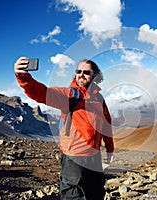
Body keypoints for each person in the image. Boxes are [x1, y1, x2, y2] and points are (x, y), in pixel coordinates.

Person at [14, 57, 114, 200]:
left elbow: (106, 124)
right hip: (74, 155)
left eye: (86, 72)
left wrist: (110, 148)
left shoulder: (99, 98)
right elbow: (42, 93)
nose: (81, 74)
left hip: (94, 154)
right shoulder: (69, 95)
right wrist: (23, 77)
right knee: (72, 194)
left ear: (95, 75)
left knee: (96, 191)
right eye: (78, 71)